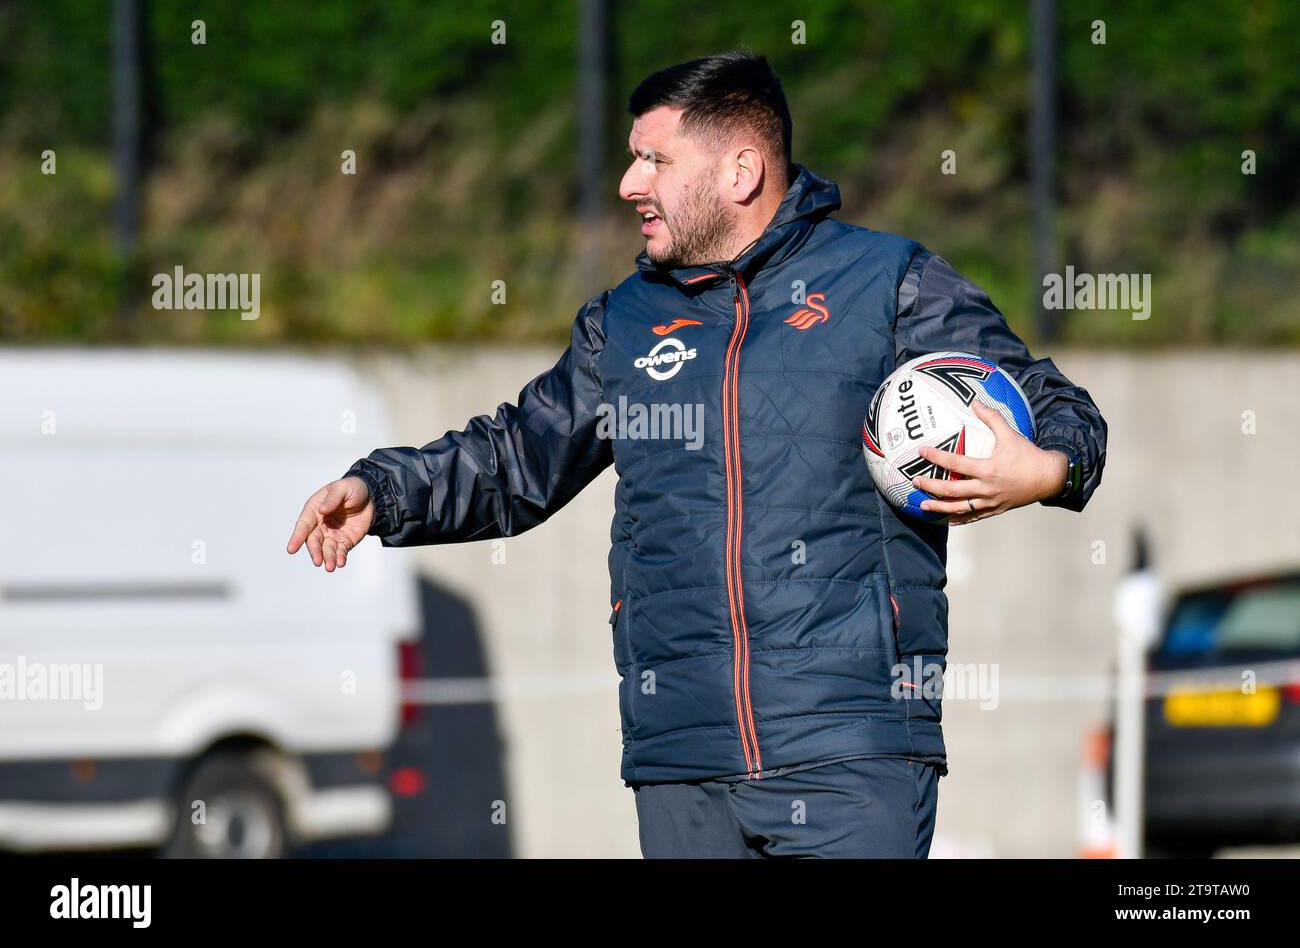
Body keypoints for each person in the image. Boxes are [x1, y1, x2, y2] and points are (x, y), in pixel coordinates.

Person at [287, 50, 1107, 858]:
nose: (629, 184)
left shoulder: (888, 284)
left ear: (740, 169)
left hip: (852, 749)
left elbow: (1059, 407)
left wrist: (1048, 468)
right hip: (680, 757)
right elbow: (518, 458)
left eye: (654, 160)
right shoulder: (625, 319)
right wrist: (384, 490)